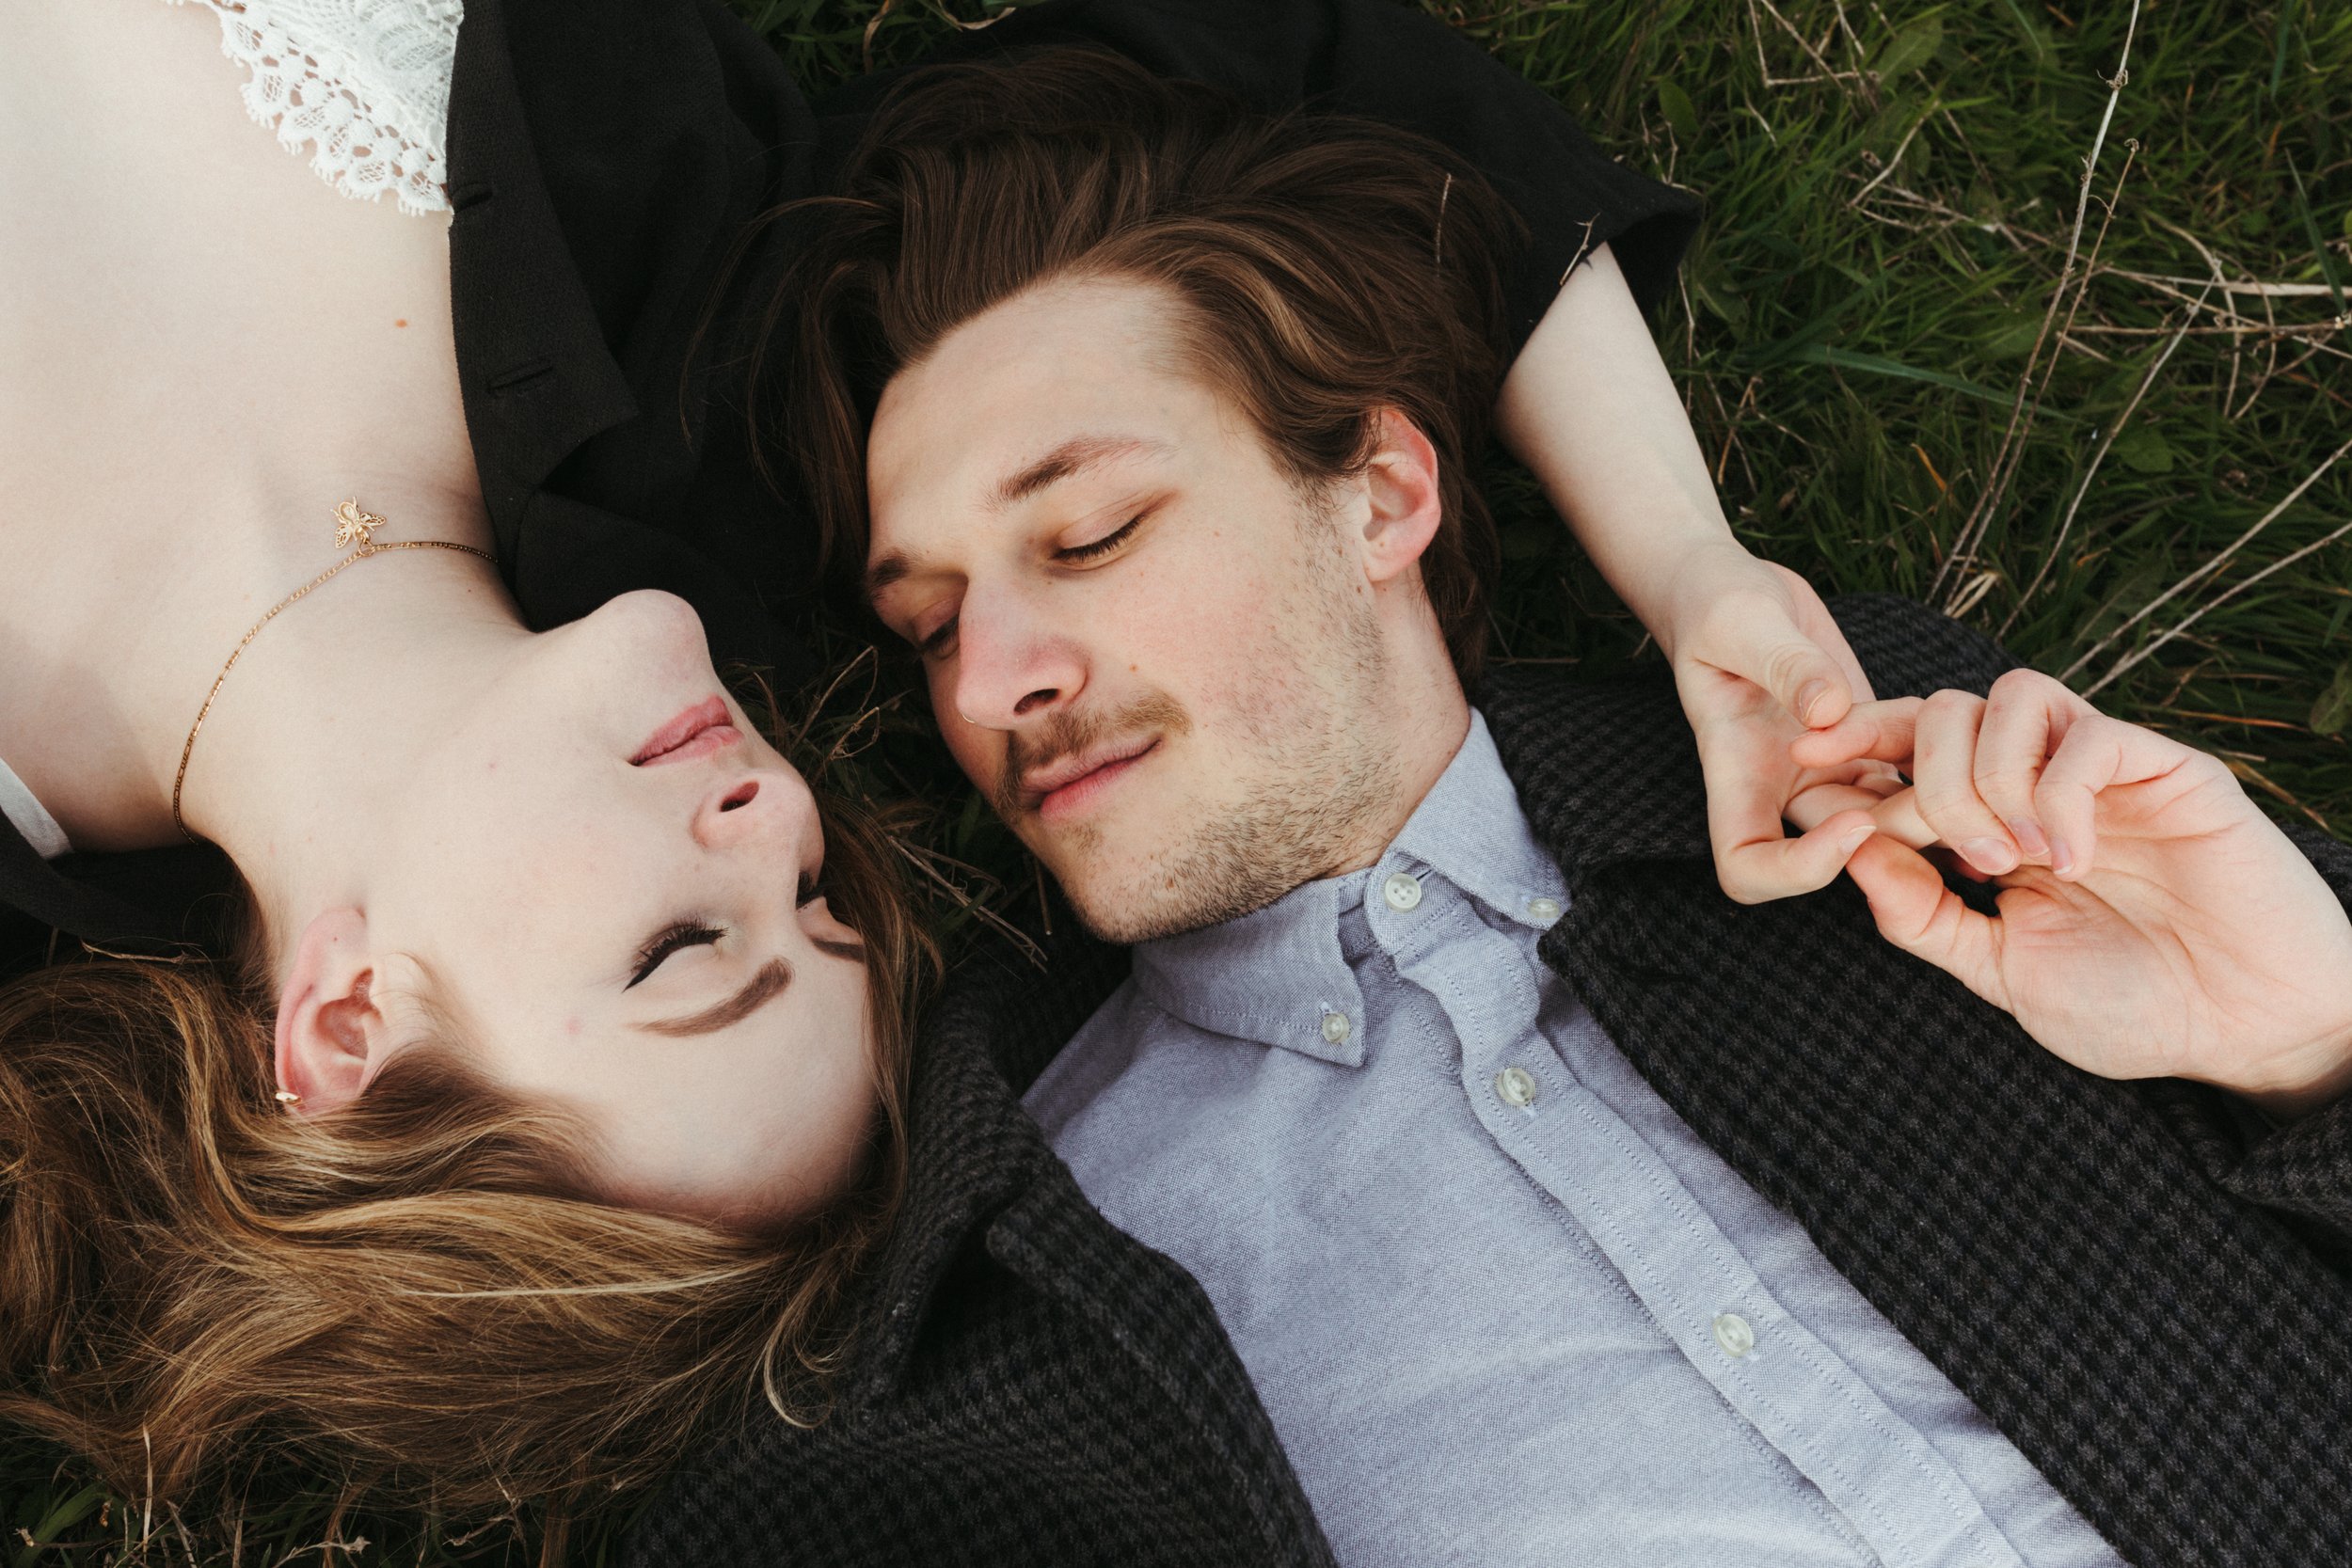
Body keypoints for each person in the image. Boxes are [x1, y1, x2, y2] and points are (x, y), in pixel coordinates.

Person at [1, 0, 1871, 1528]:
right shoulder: (699, 364)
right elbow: (1286, 79)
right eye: (809, 905)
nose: (771, 819)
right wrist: (1690, 568)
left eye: (684, 951)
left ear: (340, 1028)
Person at [627, 50, 2352, 1567]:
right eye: (927, 623)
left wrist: (2313, 1051)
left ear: (1380, 493)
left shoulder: (1909, 792)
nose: (989, 677)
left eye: (1089, 537)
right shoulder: (997, 1247)